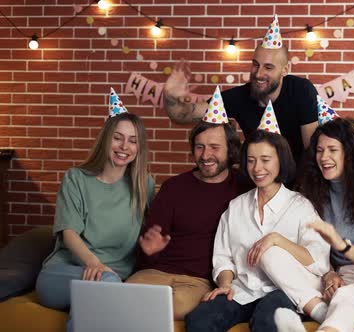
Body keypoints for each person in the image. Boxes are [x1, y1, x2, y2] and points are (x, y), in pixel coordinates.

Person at [184, 129, 330, 332]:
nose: (257, 168)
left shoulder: (300, 206)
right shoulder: (236, 207)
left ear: (281, 161)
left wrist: (278, 240)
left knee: (266, 321)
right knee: (200, 319)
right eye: (251, 160)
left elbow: (318, 261)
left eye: (265, 159)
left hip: (284, 291)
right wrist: (225, 284)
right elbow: (223, 257)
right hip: (243, 290)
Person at [274, 113, 354, 332]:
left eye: (333, 150)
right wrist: (329, 274)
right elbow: (314, 252)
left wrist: (341, 245)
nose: (324, 157)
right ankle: (325, 313)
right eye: (319, 150)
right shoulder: (314, 194)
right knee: (273, 255)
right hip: (338, 277)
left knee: (349, 295)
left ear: (351, 154)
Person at [35, 89, 155, 330]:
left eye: (133, 140)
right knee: (107, 290)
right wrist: (95, 265)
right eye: (117, 137)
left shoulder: (145, 185)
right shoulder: (76, 179)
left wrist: (151, 246)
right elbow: (69, 233)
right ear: (105, 139)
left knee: (105, 296)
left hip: (113, 280)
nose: (124, 146)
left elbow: (148, 234)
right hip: (65, 273)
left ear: (139, 147)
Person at [127, 87, 249, 319]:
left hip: (197, 282)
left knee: (162, 310)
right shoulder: (174, 187)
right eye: (199, 147)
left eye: (214, 147)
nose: (205, 155)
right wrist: (148, 250)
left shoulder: (244, 189)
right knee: (118, 301)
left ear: (231, 150)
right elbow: (148, 250)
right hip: (154, 273)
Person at [162, 15, 318, 161]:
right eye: (255, 65)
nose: (259, 73)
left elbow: (312, 151)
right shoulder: (240, 97)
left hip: (299, 183)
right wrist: (170, 95)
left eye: (268, 67)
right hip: (258, 179)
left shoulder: (301, 91)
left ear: (285, 69)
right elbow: (183, 115)